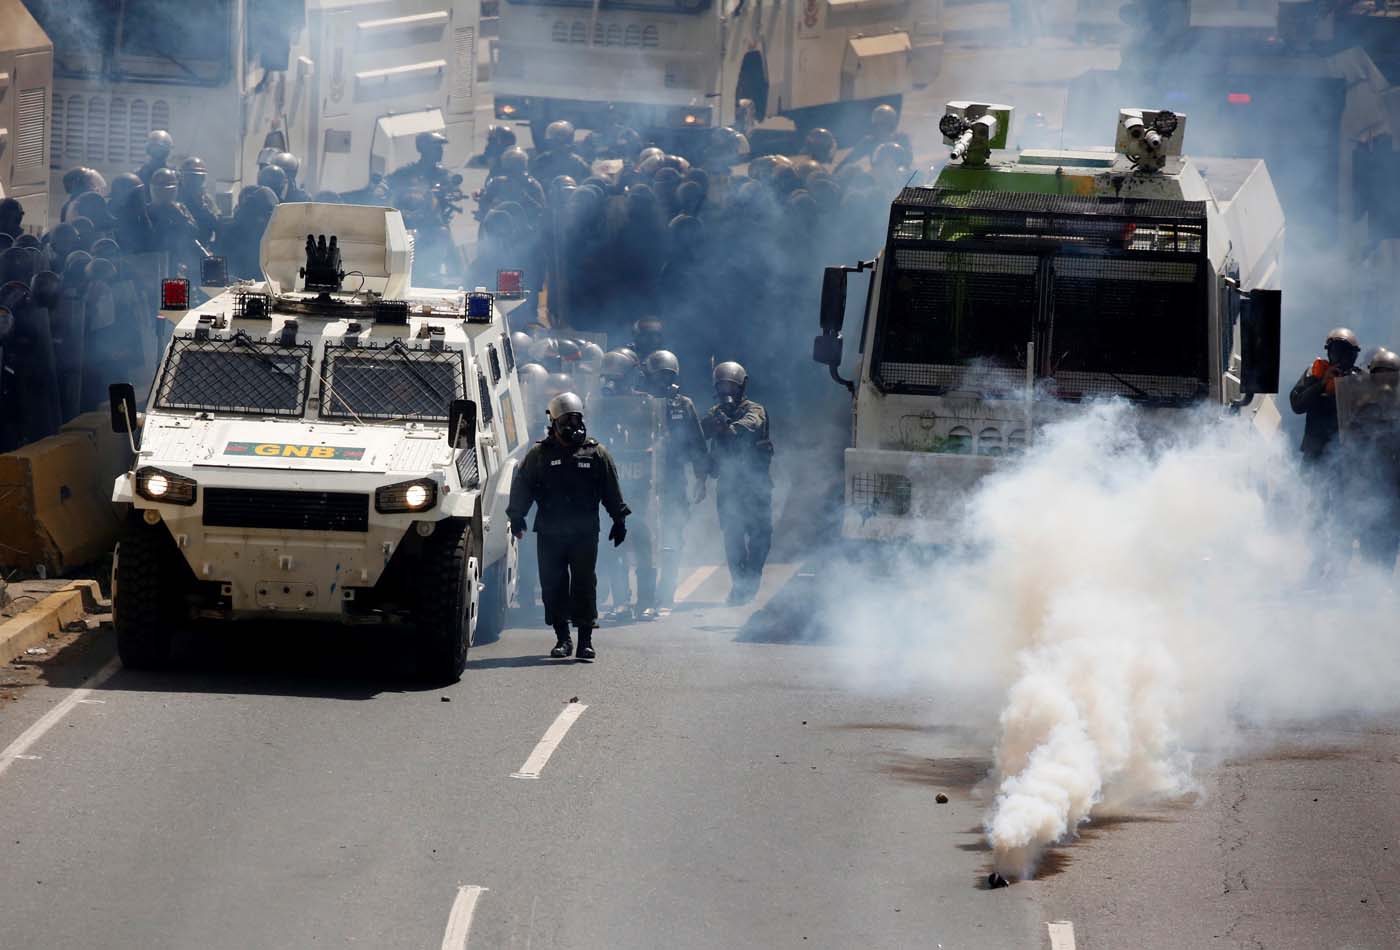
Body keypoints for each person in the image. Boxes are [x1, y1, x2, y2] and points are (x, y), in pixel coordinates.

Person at [507, 392, 630, 660]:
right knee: (553, 585)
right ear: (554, 423)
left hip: (585, 533)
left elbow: (611, 488)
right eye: (567, 420)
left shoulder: (597, 453)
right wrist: (517, 516)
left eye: (577, 419)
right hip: (550, 532)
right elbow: (523, 486)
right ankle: (563, 639)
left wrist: (619, 519)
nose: (573, 426)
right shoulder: (539, 454)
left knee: (585, 583)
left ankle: (585, 640)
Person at [702, 361, 773, 604]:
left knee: (761, 535)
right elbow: (700, 434)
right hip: (729, 486)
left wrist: (729, 427)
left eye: (731, 387)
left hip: (756, 485)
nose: (726, 392)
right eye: (721, 387)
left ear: (741, 387)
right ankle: (740, 585)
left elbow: (751, 425)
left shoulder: (754, 409)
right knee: (732, 537)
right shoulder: (714, 412)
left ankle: (751, 577)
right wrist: (714, 424)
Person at [643, 350, 709, 611]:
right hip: (642, 480)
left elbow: (697, 442)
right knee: (642, 536)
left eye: (669, 376)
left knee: (672, 534)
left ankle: (666, 592)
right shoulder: (638, 402)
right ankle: (643, 596)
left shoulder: (684, 404)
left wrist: (701, 476)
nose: (664, 381)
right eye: (659, 375)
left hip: (673, 479)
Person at [1290, 327, 1363, 464]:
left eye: (1345, 353)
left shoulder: (1359, 379)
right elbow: (1297, 405)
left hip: (1349, 457)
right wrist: (1322, 384)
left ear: (1353, 356)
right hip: (1315, 454)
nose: (1340, 358)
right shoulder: (1316, 373)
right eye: (1336, 352)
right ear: (1329, 352)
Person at [529, 121, 592, 195]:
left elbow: (586, 186)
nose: (555, 145)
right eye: (553, 142)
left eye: (558, 142)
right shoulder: (542, 160)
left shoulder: (578, 163)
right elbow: (533, 183)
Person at [178, 157, 221, 245]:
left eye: (197, 177)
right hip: (179, 247)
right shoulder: (175, 198)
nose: (194, 181)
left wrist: (203, 207)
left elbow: (217, 223)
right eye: (190, 177)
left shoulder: (206, 199)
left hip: (203, 245)